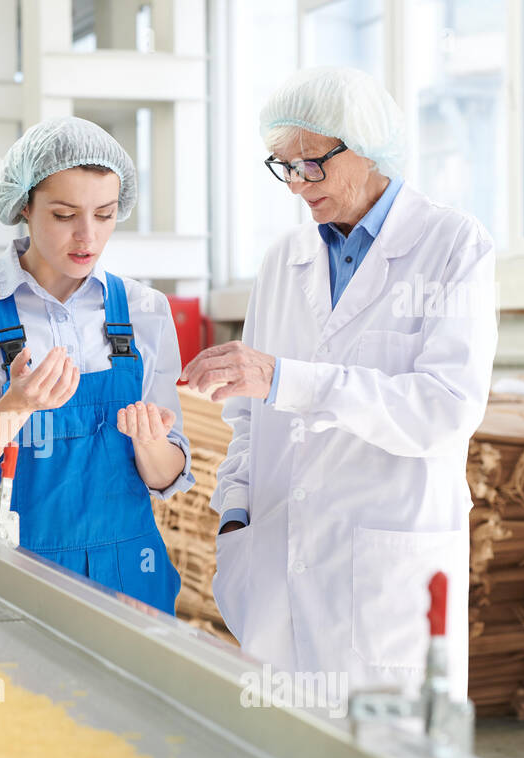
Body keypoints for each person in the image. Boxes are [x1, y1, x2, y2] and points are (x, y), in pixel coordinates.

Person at [184, 66, 498, 697]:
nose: (298, 184)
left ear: (367, 144)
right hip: (275, 563)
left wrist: (290, 380)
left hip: (386, 577)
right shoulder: (283, 260)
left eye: (312, 164)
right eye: (283, 166)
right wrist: (235, 519)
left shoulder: (451, 245)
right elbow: (248, 420)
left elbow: (444, 410)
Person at [0, 116, 194, 614]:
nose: (87, 236)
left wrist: (149, 441)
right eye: (65, 214)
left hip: (130, 575)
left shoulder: (144, 309)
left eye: (106, 214)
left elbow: (168, 475)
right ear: (24, 206)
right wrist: (13, 408)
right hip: (13, 572)